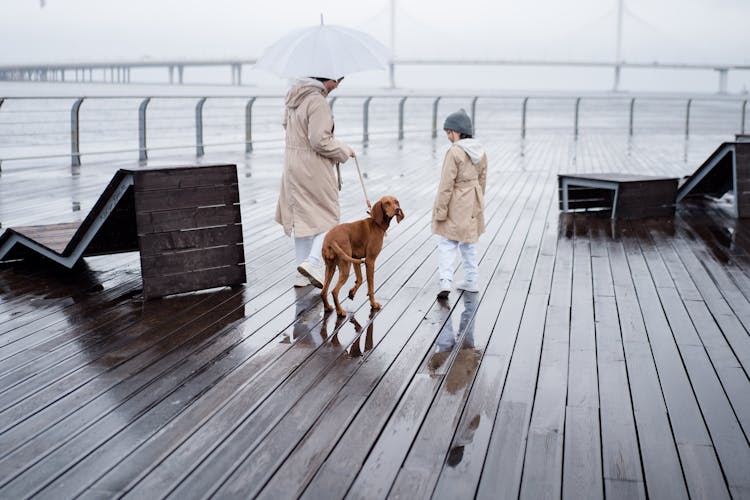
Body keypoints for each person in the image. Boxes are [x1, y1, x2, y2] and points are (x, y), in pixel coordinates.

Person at [275, 76, 356, 288]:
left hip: (292, 163)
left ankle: (301, 274)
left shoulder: (294, 96)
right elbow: (319, 140)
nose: (337, 85)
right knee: (328, 217)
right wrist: (343, 151)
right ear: (326, 78)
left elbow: (288, 126)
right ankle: (312, 263)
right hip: (313, 166)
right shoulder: (317, 101)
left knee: (303, 219)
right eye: (336, 80)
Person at [432, 108, 487, 299]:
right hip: (473, 199)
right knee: (469, 243)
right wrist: (479, 201)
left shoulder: (455, 152)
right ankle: (471, 280)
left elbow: (446, 184)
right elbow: (483, 178)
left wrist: (441, 210)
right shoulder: (480, 150)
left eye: (449, 132)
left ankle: (445, 281)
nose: (448, 136)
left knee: (447, 242)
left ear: (458, 131)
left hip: (456, 200)